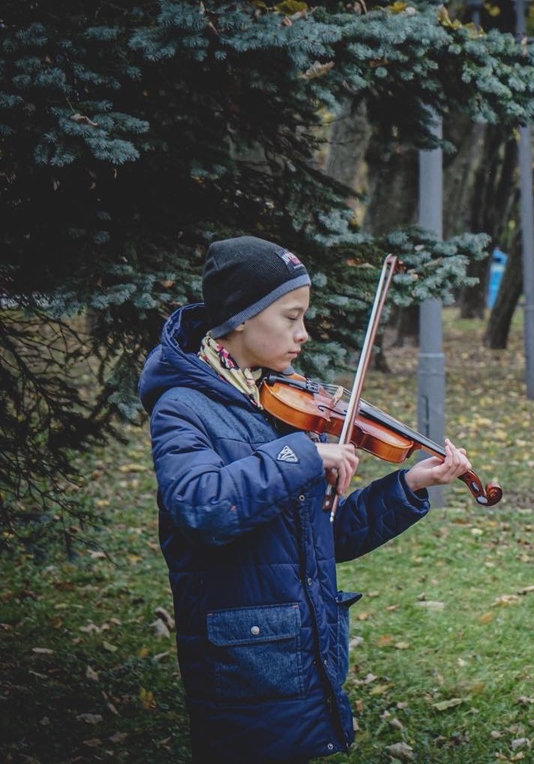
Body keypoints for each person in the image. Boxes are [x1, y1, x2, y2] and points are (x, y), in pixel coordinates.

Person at [138, 236, 472, 763]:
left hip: (304, 649)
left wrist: (409, 486)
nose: (305, 334)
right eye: (292, 318)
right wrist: (302, 457)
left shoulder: (286, 399)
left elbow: (325, 535)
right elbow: (201, 507)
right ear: (242, 318)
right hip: (242, 662)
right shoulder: (183, 408)